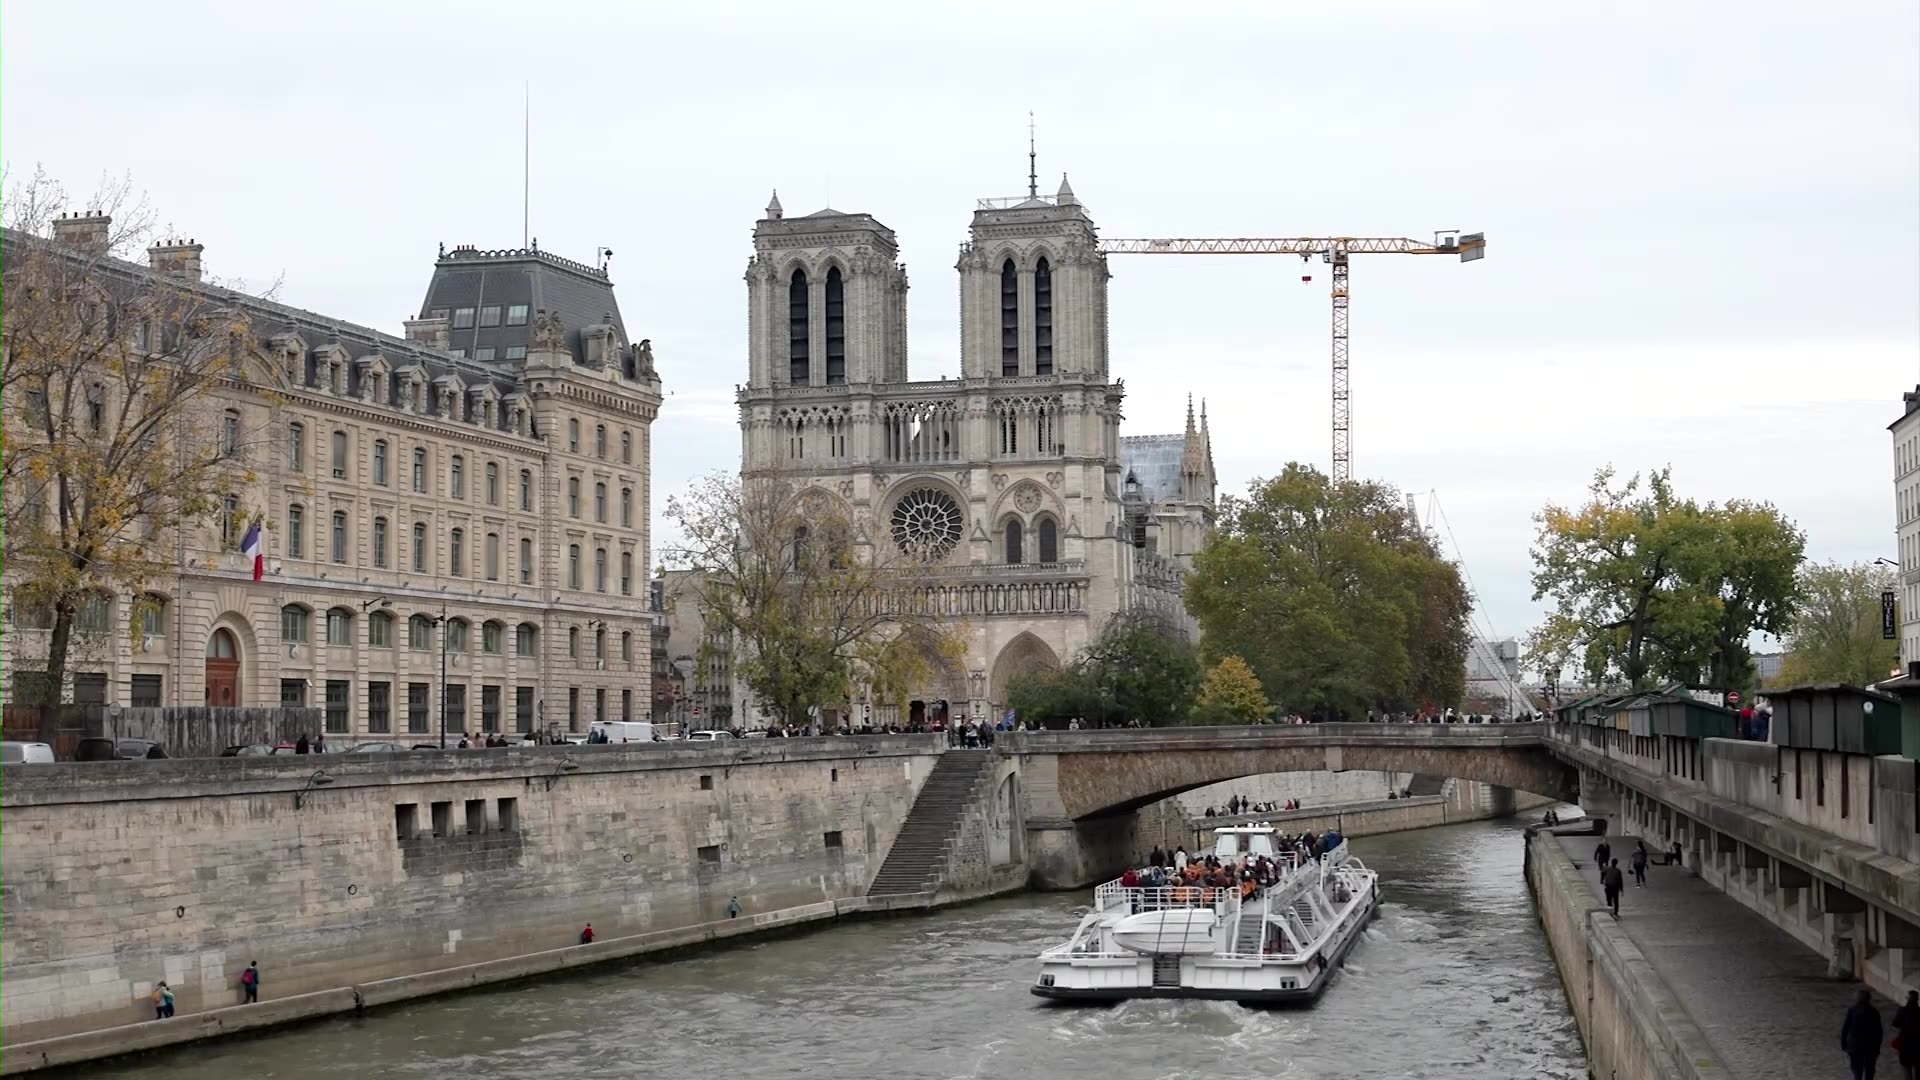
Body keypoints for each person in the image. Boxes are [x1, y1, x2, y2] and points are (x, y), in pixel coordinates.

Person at [1844, 988, 1885, 1080]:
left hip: (1855, 1046)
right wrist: (1877, 1046)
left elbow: (1846, 1028)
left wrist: (1844, 1045)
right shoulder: (1874, 1012)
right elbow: (1879, 1032)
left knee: (1857, 1070)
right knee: (1869, 1070)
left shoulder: (1852, 1010)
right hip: (1870, 1046)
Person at [1893, 989, 1920, 1080]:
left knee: (1907, 1072)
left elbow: (1896, 1023)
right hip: (1918, 1046)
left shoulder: (1903, 1011)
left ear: (1908, 999)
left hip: (1906, 1046)